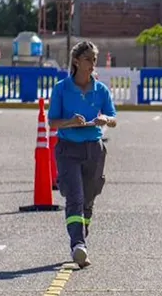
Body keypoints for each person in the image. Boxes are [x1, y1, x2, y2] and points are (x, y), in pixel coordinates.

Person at [47, 40, 118, 269]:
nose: (92, 64)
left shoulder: (101, 89)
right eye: (88, 59)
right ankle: (77, 244)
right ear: (76, 61)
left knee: (88, 199)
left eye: (94, 60)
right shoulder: (61, 88)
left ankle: (82, 236)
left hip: (94, 149)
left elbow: (112, 117)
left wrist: (105, 119)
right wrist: (70, 122)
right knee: (75, 198)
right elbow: (53, 123)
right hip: (68, 149)